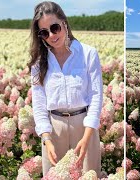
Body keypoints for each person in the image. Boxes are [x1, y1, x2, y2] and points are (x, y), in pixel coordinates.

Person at [28, 1, 103, 177]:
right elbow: (39, 104)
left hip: (85, 127)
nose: (52, 36)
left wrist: (87, 138)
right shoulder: (39, 62)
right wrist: (46, 139)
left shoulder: (88, 53)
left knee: (88, 175)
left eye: (55, 28)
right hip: (54, 129)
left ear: (65, 23)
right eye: (44, 33)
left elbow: (96, 96)